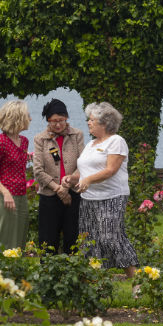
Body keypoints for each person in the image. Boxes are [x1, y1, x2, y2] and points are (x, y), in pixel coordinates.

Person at [62, 101, 138, 278]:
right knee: (89, 240)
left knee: (110, 237)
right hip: (89, 198)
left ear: (105, 123)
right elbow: (84, 170)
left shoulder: (116, 141)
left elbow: (111, 170)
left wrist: (88, 179)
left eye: (92, 120)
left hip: (112, 197)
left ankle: (136, 279)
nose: (88, 122)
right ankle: (95, 281)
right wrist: (72, 178)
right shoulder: (91, 144)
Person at [33, 99, 85, 254]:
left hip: (73, 193)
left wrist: (68, 184)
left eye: (61, 120)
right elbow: (38, 170)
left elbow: (83, 164)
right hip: (49, 195)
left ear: (66, 118)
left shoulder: (77, 135)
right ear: (48, 120)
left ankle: (73, 267)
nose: (57, 125)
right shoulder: (40, 139)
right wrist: (58, 189)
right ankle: (48, 269)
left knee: (73, 238)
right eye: (53, 121)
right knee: (47, 240)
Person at [0, 100, 32, 250]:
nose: (30, 119)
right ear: (18, 118)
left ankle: (16, 266)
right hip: (4, 198)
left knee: (19, 241)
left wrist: (29, 157)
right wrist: (5, 192)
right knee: (2, 242)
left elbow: (14, 163)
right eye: (27, 116)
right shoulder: (0, 142)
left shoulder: (24, 141)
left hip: (21, 197)